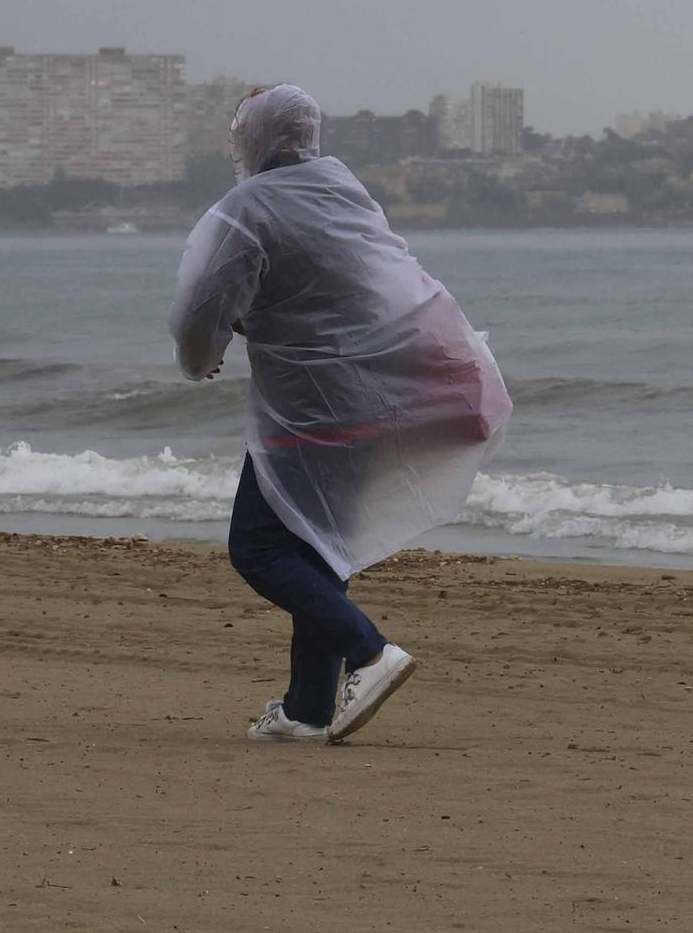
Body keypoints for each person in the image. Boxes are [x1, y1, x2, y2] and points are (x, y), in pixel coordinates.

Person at [170, 85, 511, 743]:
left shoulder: (245, 211)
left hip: (310, 411)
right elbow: (341, 286)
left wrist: (201, 357)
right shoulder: (342, 186)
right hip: (376, 402)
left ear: (253, 139)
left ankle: (371, 652)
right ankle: (307, 710)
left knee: (259, 548)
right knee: (319, 547)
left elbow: (198, 313)